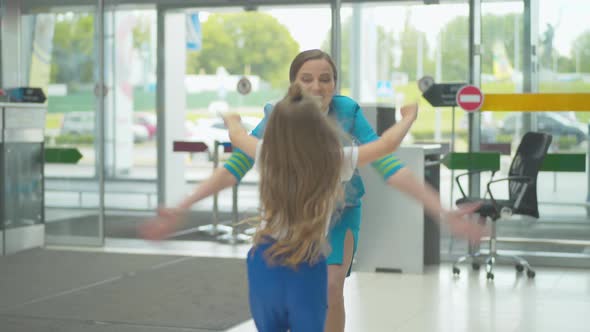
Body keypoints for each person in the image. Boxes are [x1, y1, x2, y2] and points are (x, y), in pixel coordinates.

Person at [139, 49, 485, 332]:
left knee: (332, 289)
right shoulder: (280, 116)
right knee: (286, 301)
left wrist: (442, 212)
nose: (318, 86)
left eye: (326, 79)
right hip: (283, 233)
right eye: (307, 79)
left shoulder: (346, 116)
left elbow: (388, 164)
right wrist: (182, 205)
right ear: (293, 85)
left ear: (335, 83)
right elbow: (236, 164)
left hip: (338, 214)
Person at [214, 83, 417, 332]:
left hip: (266, 258)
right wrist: (409, 116)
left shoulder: (268, 153)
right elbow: (387, 145)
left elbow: (237, 136)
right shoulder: (333, 159)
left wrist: (232, 118)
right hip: (304, 258)